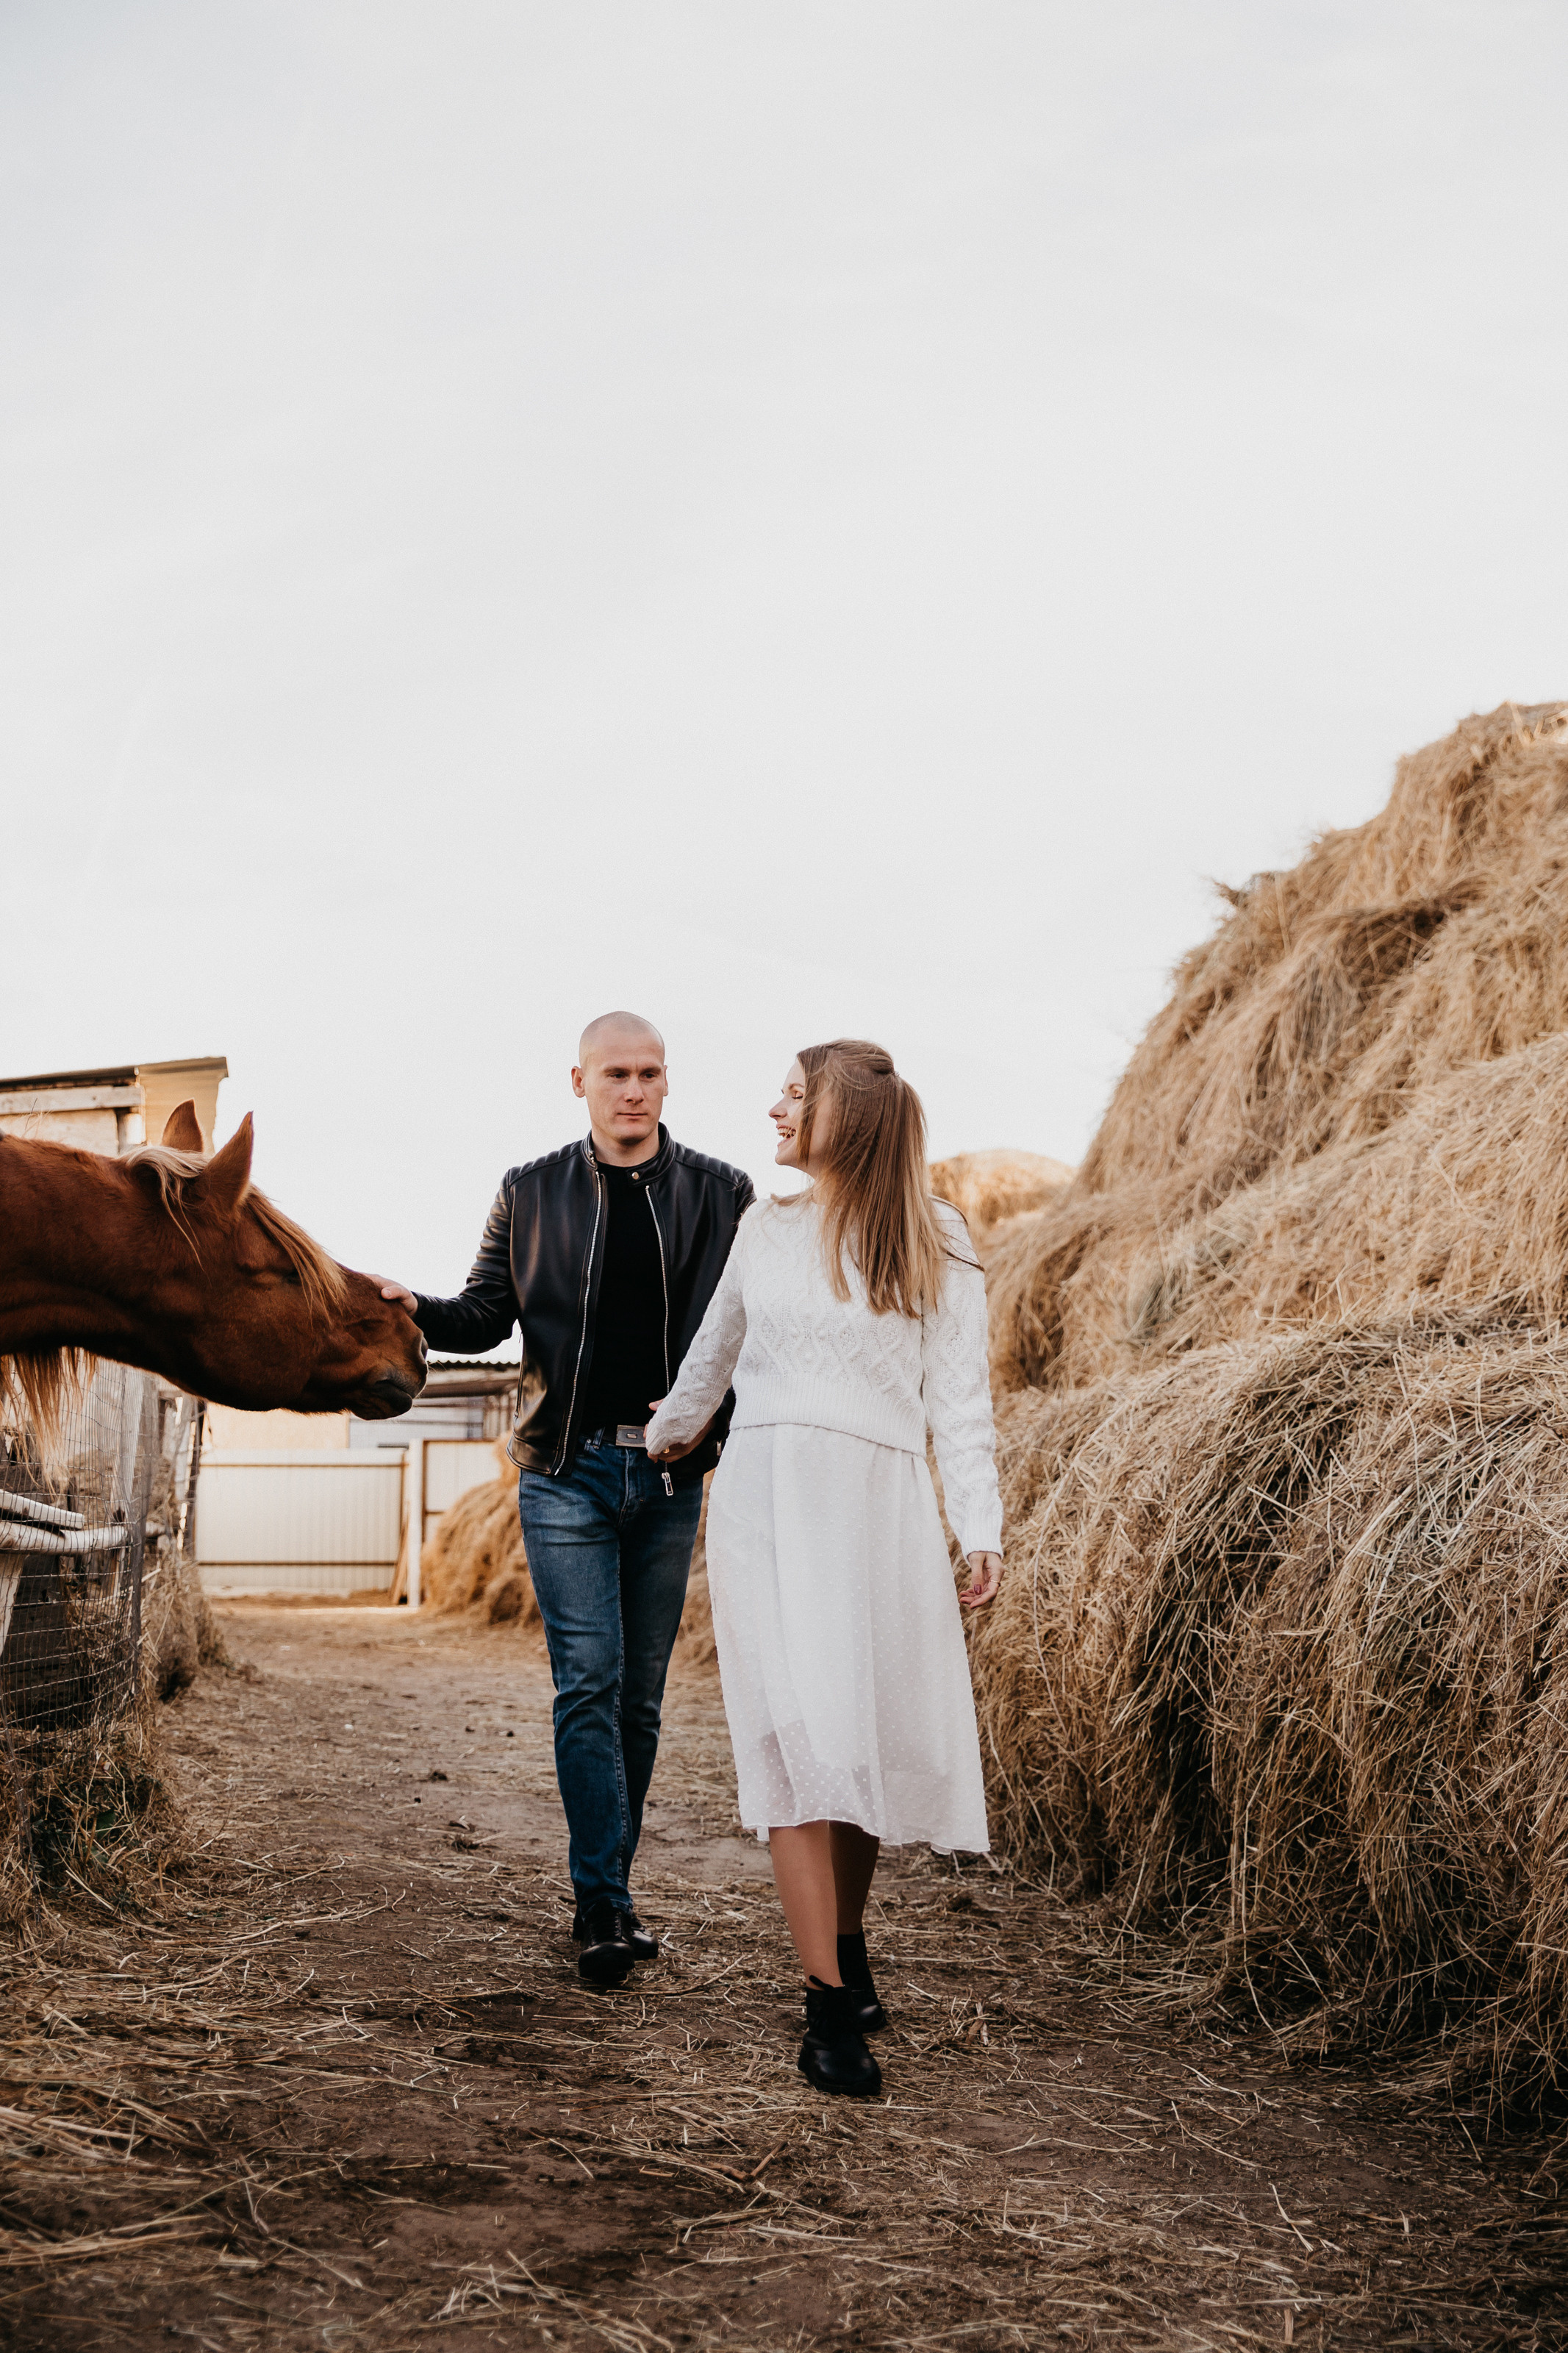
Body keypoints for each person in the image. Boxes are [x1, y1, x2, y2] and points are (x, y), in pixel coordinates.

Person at [645, 1039, 1003, 2098]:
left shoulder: (935, 1236)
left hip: (879, 1509)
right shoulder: (764, 1228)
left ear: (845, 1116)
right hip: (766, 1501)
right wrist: (664, 1432)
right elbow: (711, 1355)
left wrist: (979, 1526)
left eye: (795, 1095)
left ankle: (846, 1943)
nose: (775, 1109)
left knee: (858, 1738)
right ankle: (828, 2007)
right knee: (795, 1739)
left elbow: (961, 1401)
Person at [377, 1015, 753, 1987]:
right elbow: (482, 1315)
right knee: (588, 1682)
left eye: (650, 1073)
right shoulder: (529, 1190)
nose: (634, 1089)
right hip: (563, 1471)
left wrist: (709, 1411)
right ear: (579, 1081)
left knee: (640, 1700)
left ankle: (610, 1891)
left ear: (667, 1082)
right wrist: (412, 1306)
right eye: (615, 1073)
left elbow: (751, 1334)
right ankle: (601, 1903)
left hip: (668, 1473)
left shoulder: (723, 1195)